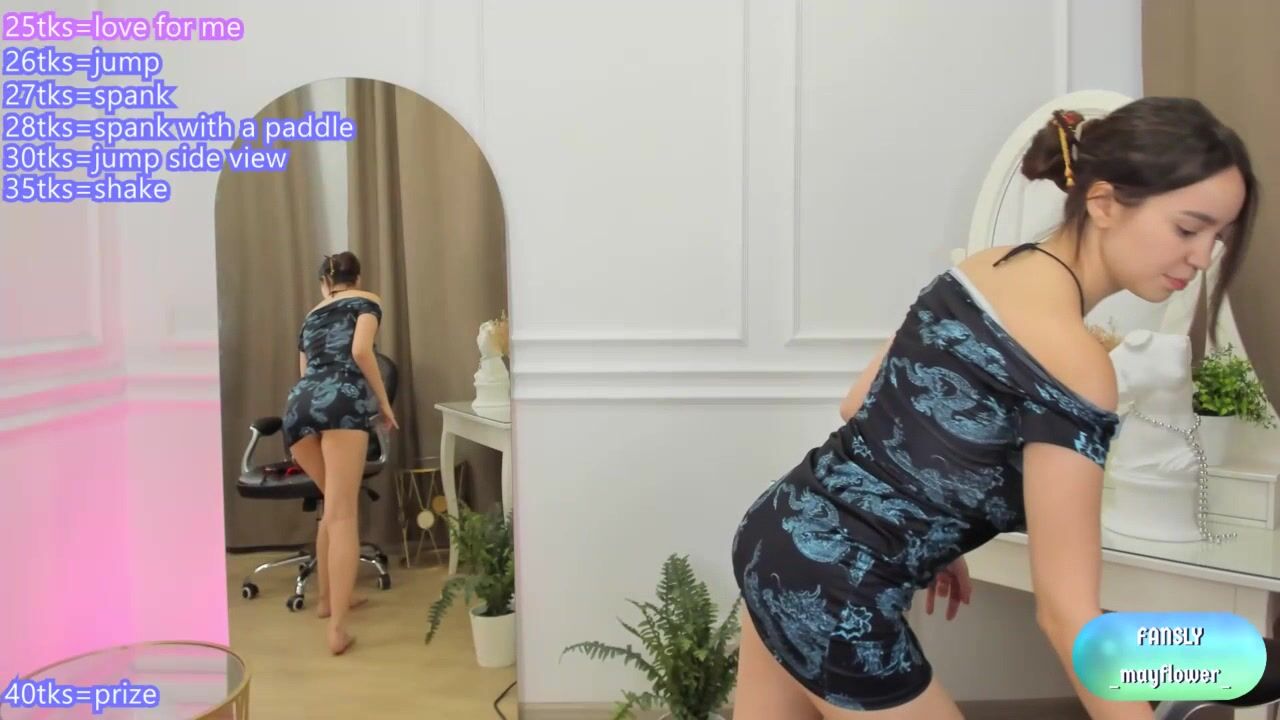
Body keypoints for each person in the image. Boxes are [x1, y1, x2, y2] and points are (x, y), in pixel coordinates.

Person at [730, 96, 1257, 719]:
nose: (1203, 257)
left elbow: (859, 406)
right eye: (1188, 229)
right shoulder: (1076, 361)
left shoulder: (988, 267)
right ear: (1104, 202)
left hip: (780, 528)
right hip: (838, 584)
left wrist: (936, 524)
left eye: (1218, 237)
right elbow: (1067, 613)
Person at [283, 250, 399, 655]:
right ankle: (337, 630)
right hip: (343, 404)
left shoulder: (310, 315)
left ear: (325, 283)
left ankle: (328, 600)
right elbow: (362, 351)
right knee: (344, 514)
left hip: (298, 408)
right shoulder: (368, 301)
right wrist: (383, 403)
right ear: (357, 277)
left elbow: (305, 373)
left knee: (330, 507)